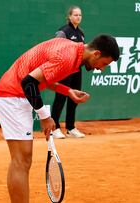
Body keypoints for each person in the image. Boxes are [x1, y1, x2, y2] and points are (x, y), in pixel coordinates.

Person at [0, 34, 119, 203]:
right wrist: (45, 117)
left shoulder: (72, 50)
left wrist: (67, 91)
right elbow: (28, 82)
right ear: (96, 54)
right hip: (12, 96)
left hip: (18, 96)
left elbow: (41, 76)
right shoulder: (67, 57)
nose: (101, 69)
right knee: (21, 161)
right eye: (104, 64)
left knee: (21, 160)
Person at [51, 6, 86, 139]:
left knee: (74, 97)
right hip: (64, 70)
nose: (78, 17)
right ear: (70, 17)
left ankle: (70, 128)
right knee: (60, 97)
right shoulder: (63, 31)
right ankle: (55, 128)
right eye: (75, 15)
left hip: (77, 70)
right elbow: (55, 48)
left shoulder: (81, 33)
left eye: (80, 15)